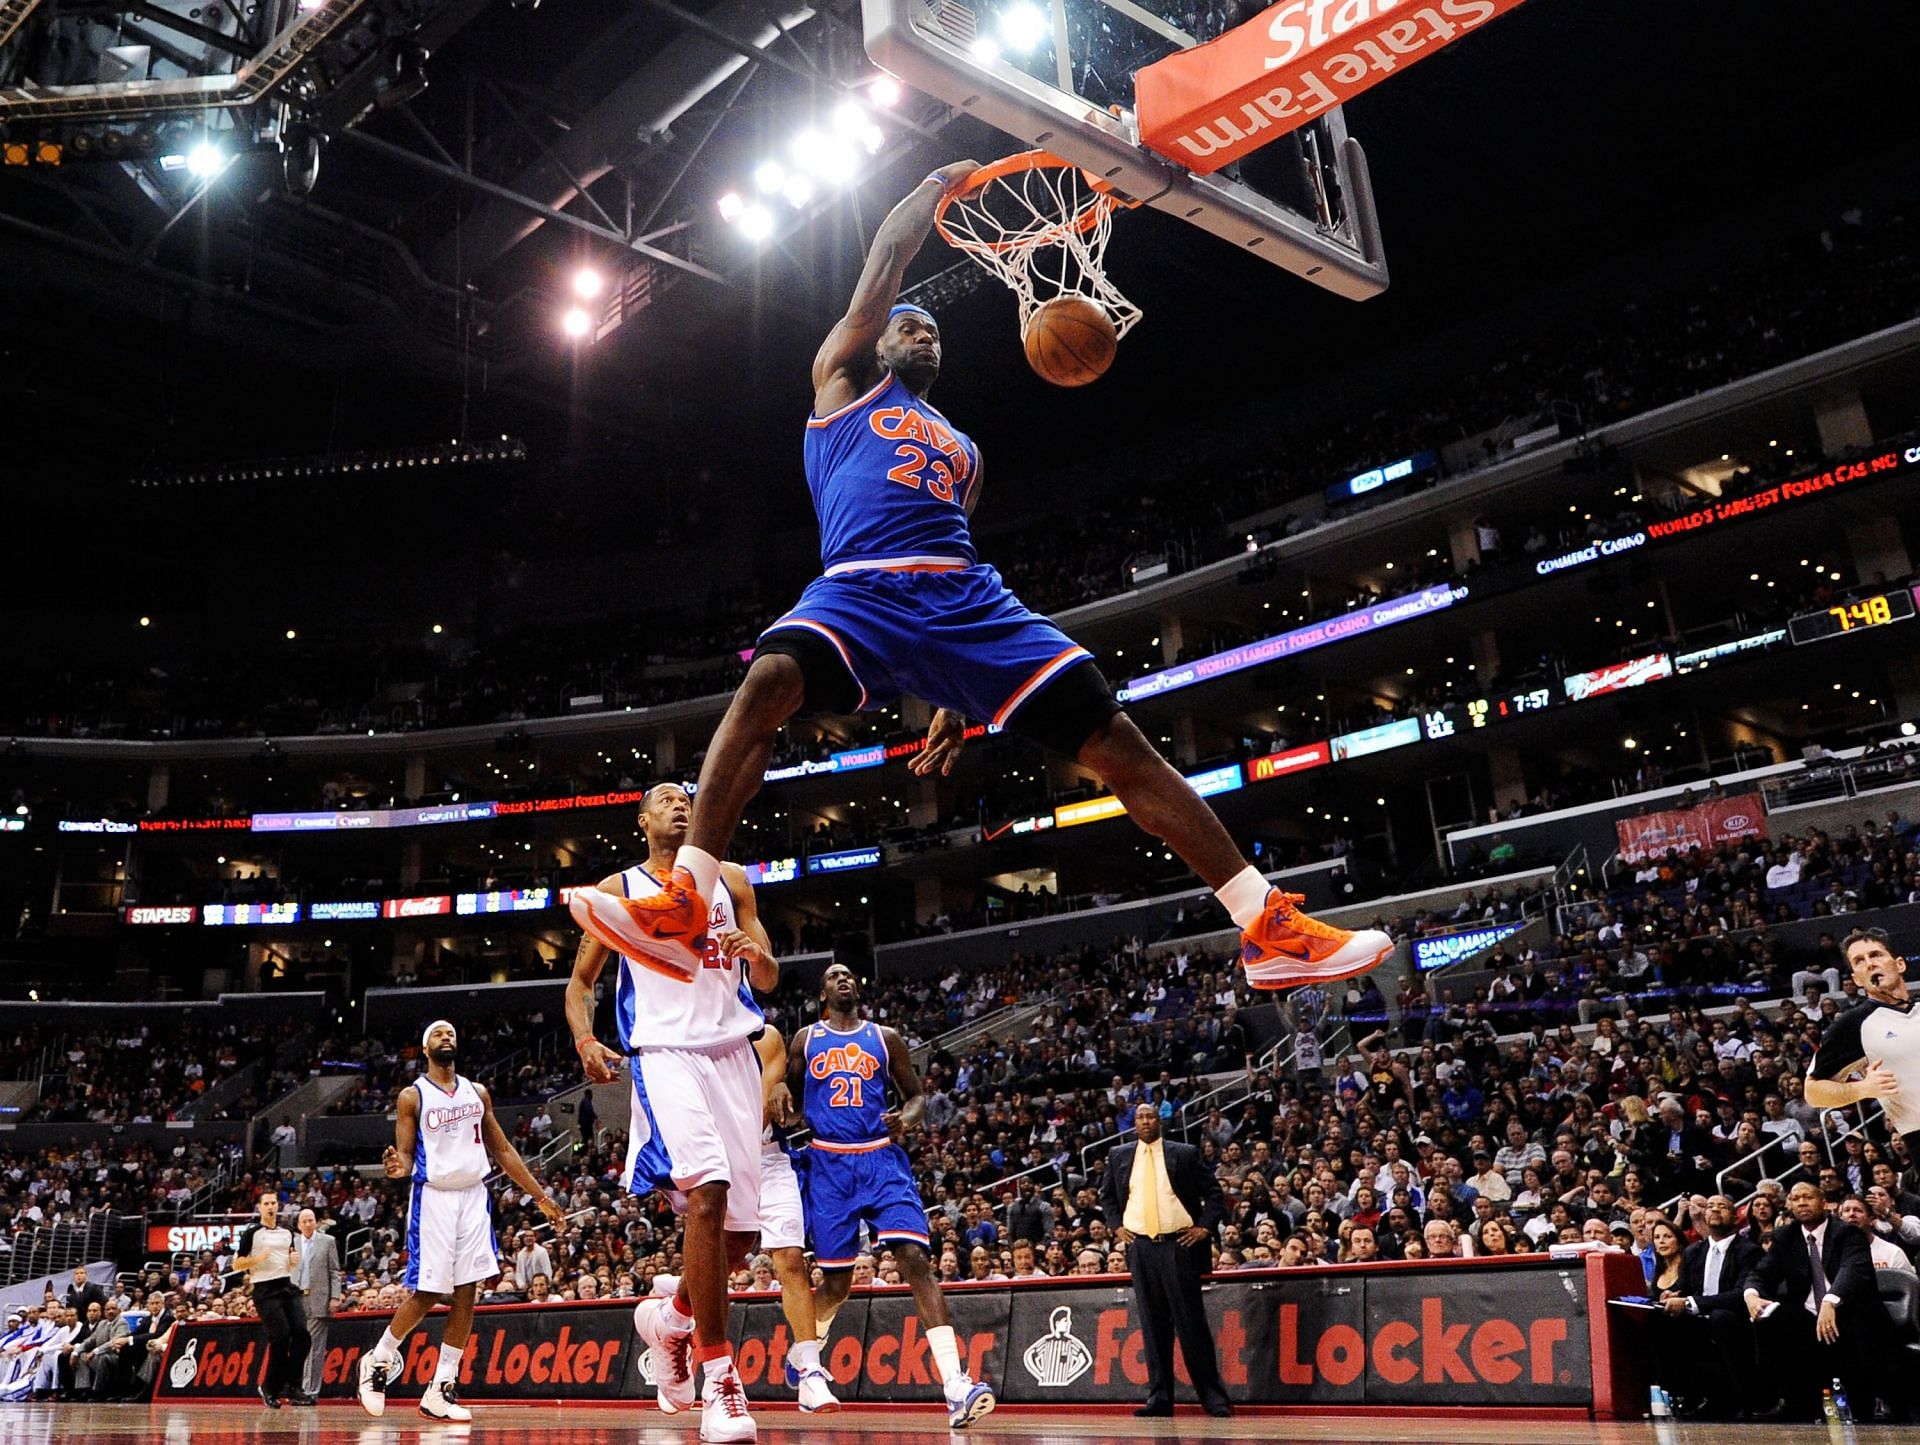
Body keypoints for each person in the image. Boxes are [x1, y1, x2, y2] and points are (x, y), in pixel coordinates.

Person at [573, 165, 1392, 1000]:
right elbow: (885, 263)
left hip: (965, 600)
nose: (923, 334)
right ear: (877, 341)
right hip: (858, 585)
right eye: (908, 327)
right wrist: (927, 190)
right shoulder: (842, 386)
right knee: (771, 677)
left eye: (933, 331)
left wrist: (953, 699)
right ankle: (685, 901)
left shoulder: (966, 449)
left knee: (1114, 737)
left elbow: (954, 573)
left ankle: (1265, 925)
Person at [566, 784, 779, 1445]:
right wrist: (584, 1037)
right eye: (664, 798)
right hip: (664, 1052)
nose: (680, 803)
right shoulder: (620, 886)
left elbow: (768, 978)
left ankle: (671, 1319)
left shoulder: (733, 878)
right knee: (706, 1194)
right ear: (643, 818)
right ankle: (721, 1382)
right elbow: (580, 983)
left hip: (733, 1054)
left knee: (739, 1242)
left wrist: (756, 953)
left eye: (688, 795)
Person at [789, 961, 995, 1428]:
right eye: (834, 976)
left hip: (881, 1160)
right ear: (822, 992)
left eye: (849, 974)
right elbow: (792, 1099)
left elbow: (916, 1096)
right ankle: (807, 1356)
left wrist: (908, 1116)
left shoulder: (886, 1038)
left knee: (915, 1260)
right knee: (837, 1283)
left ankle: (955, 1385)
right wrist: (781, 1094)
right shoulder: (806, 1039)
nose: (845, 979)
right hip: (829, 1163)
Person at [356, 1020, 565, 1423]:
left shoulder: (477, 1092)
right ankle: (378, 1360)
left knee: (468, 1292)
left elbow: (502, 1149)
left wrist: (540, 1197)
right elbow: (402, 1157)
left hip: (473, 1195)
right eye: (437, 1034)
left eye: (450, 1033)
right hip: (434, 1197)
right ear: (425, 1048)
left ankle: (441, 1386)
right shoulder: (411, 1096)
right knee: (429, 1291)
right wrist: (395, 1169)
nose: (446, 1037)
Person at [1101, 1102, 1231, 1420]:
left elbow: (1215, 1193)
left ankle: (1213, 1398)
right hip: (1141, 1248)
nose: (1145, 1122)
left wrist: (1203, 1228)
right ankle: (1159, 1398)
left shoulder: (1183, 1153)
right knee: (1152, 1327)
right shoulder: (1119, 1156)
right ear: (1133, 1123)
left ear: (1160, 1120)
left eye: (1151, 1116)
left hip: (1178, 1245)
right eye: (1140, 1117)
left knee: (1191, 1325)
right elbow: (1107, 1196)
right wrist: (1117, 1226)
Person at [1741, 1180, 1896, 1420]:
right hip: (1808, 1316)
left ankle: (1873, 1401)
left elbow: (1853, 1269)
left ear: (1824, 1203)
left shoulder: (1847, 1232)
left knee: (1860, 1316)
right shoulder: (1786, 1236)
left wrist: (1830, 1301)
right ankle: (1783, 1399)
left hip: (1847, 1310)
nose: (1802, 1202)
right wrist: (1751, 1295)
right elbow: (1762, 1273)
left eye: (1808, 1197)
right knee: (1769, 1316)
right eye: (1796, 1198)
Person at [752, 1022, 839, 1414]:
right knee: (717, 1266)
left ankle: (811, 1372)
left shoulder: (766, 1037)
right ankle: (675, 1319)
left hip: (767, 1156)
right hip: (716, 1162)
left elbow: (761, 1113)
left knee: (790, 1259)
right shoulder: (691, 1040)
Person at [1805, 929, 1920, 1158]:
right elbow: (1812, 1091)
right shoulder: (1854, 1023)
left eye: (1876, 955)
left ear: (1899, 964)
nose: (1870, 963)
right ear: (1857, 979)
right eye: (1859, 961)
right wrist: (1863, 1089)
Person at [233, 1190, 308, 1407]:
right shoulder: (252, 1233)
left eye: (273, 1203)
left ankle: (293, 1386)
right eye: (266, 1203)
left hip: (286, 1285)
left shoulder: (287, 1232)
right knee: (281, 1336)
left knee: (302, 1335)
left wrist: (293, 1260)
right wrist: (257, 1259)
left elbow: (290, 1258)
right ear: (260, 1207)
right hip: (264, 1289)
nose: (270, 1207)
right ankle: (269, 1387)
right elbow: (236, 1264)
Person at [294, 1207, 340, 1399]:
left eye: (310, 1220)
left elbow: (335, 1271)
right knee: (297, 1346)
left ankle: (310, 1391)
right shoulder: (293, 1242)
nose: (307, 1224)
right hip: (297, 1299)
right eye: (304, 1221)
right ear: (298, 1225)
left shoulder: (327, 1242)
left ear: (316, 1222)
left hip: (318, 1299)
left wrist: (335, 1296)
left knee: (314, 1347)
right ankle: (297, 1387)